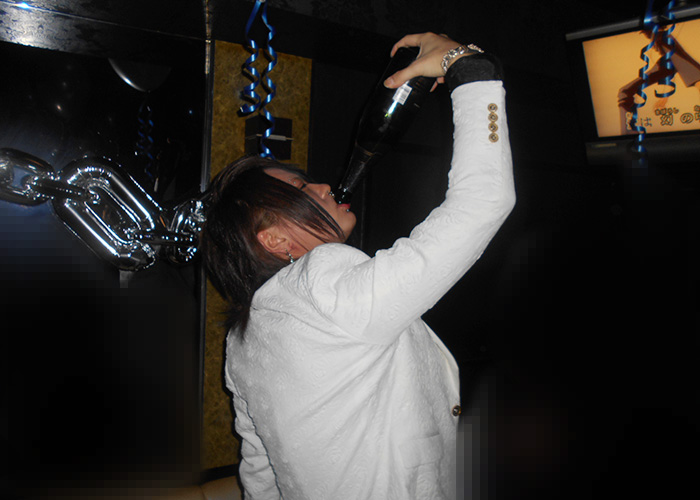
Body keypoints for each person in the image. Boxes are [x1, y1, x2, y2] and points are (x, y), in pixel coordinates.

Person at [201, 32, 516, 500]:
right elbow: (483, 202)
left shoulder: (243, 342)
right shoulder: (320, 282)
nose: (323, 186)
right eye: (300, 191)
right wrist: (469, 68)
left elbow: (260, 472)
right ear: (275, 240)